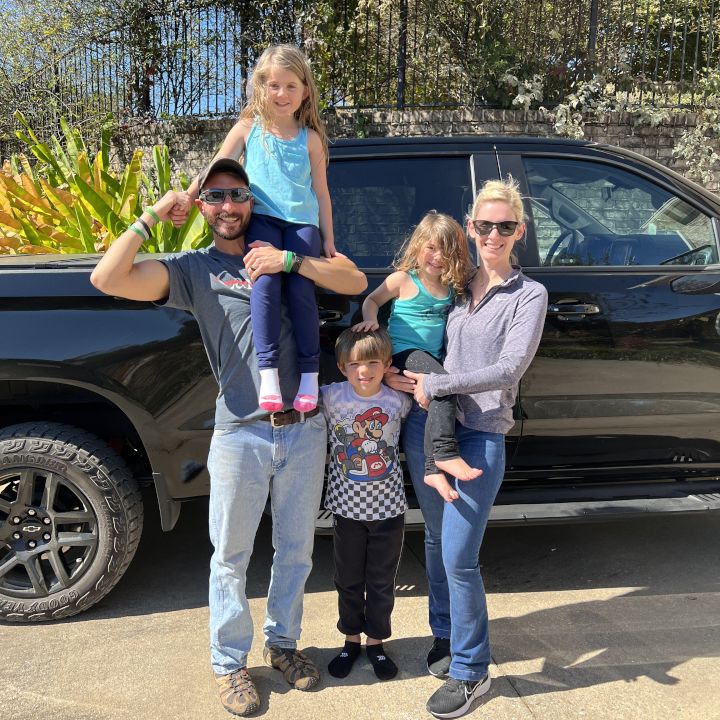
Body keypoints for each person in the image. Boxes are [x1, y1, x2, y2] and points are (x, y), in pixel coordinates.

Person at [90, 157, 366, 718]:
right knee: (231, 555)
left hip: (304, 430)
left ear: (251, 201)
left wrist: (293, 261)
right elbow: (108, 278)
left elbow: (356, 282)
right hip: (240, 432)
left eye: (237, 194)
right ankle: (229, 662)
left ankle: (282, 644)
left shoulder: (289, 250)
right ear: (203, 206)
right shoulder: (195, 268)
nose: (227, 205)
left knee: (296, 551)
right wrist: (154, 213)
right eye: (215, 196)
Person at [385, 178, 548, 719]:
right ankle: (447, 635)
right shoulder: (454, 285)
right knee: (435, 541)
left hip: (479, 435)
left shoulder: (528, 295)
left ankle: (472, 670)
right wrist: (398, 375)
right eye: (484, 225)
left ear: (519, 231)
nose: (493, 235)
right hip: (425, 426)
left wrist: (439, 384)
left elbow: (509, 369)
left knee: (459, 555)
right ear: (472, 229)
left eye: (505, 226)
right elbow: (414, 336)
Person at [174, 44, 334, 416]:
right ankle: (269, 374)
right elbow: (214, 167)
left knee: (301, 293)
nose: (282, 94)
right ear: (261, 87)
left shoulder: (310, 139)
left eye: (291, 86)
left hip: (301, 225)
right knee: (264, 286)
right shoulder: (249, 128)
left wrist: (328, 238)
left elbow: (322, 192)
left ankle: (309, 376)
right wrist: (186, 195)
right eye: (274, 85)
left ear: (305, 91)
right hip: (262, 218)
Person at [351, 211, 480, 504]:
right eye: (431, 248)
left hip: (428, 357)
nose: (437, 257)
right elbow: (372, 300)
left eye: (445, 251)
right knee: (444, 386)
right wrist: (371, 321)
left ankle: (433, 468)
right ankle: (443, 455)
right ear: (418, 245)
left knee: (437, 397)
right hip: (402, 353)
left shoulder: (450, 287)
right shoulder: (403, 280)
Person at [320, 327, 411, 682]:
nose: (364, 371)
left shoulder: (397, 400)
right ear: (342, 367)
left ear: (386, 365)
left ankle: (376, 642)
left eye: (373, 362)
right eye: (354, 364)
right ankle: (350, 640)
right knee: (347, 579)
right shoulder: (331, 396)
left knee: (381, 581)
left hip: (388, 509)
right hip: (347, 510)